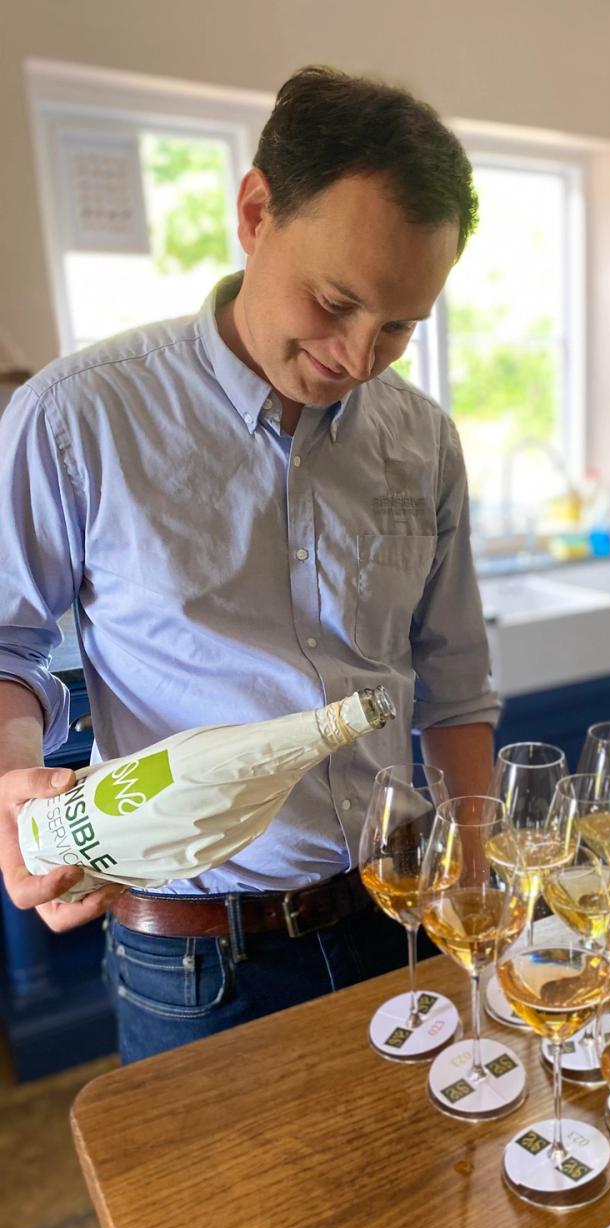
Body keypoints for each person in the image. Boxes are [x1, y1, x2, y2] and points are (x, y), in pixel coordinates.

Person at [0, 67, 500, 1062]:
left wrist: (473, 876)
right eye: (336, 301)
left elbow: (454, 679)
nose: (358, 356)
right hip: (196, 961)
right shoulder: (76, 418)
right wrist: (12, 788)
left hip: (397, 916)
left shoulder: (422, 439)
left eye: (400, 326)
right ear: (255, 212)